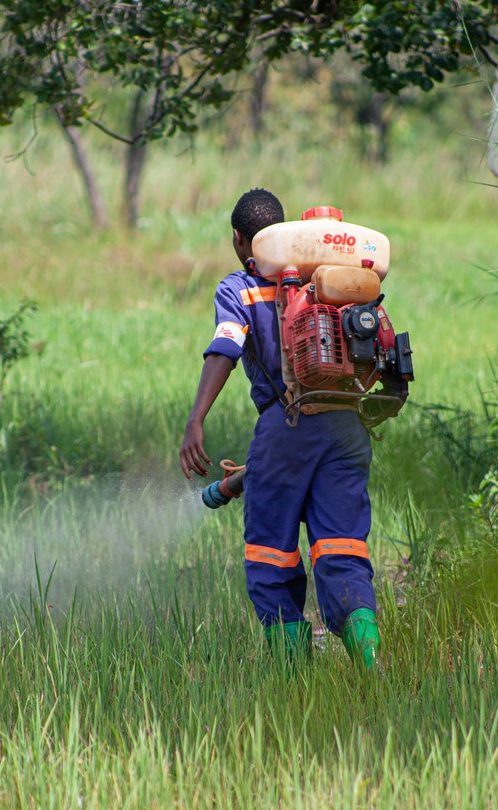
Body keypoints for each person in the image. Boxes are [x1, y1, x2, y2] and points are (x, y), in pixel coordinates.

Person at [179, 188, 380, 669]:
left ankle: (294, 680)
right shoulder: (328, 280)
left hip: (286, 425)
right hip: (348, 427)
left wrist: (196, 419)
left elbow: (225, 348)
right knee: (342, 548)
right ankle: (371, 667)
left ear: (238, 238)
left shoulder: (239, 288)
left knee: (271, 555)